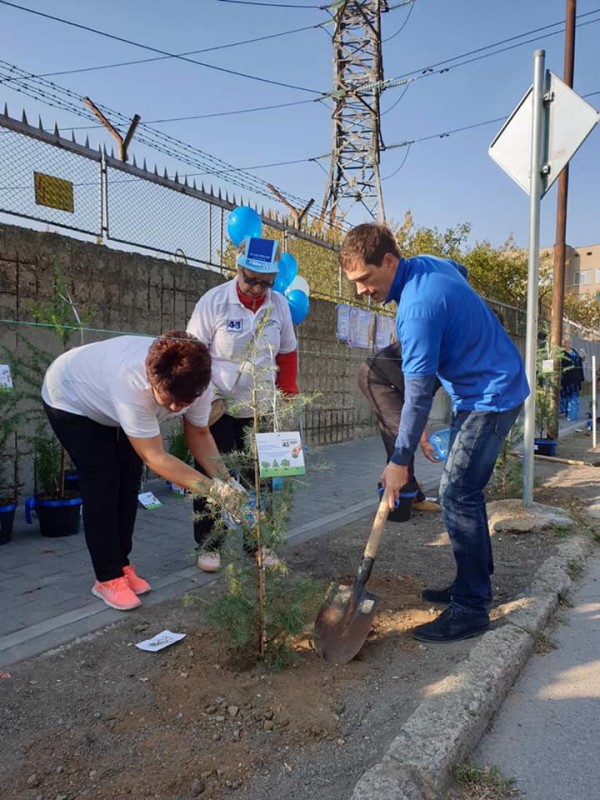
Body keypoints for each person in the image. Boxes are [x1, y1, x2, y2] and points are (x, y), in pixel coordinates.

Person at [339, 223, 529, 643]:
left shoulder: (417, 311)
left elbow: (418, 397)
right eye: (354, 283)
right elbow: (460, 270)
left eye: (365, 279)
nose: (361, 291)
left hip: (491, 396)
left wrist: (399, 462)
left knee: (457, 492)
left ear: (389, 261)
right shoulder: (428, 265)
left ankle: (471, 607)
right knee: (464, 490)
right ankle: (473, 584)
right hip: (485, 386)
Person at [42, 330, 244, 611]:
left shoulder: (198, 382)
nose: (173, 408)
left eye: (182, 403)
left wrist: (225, 479)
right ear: (152, 379)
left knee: (129, 478)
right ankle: (107, 577)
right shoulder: (131, 382)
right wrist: (214, 491)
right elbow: (155, 457)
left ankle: (122, 564)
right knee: (103, 481)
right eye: (168, 399)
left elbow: (199, 433)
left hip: (109, 398)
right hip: (71, 398)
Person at [187, 236, 298, 573]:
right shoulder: (215, 301)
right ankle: (210, 544)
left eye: (266, 283)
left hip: (259, 407)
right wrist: (201, 397)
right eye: (251, 280)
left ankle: (259, 544)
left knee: (258, 481)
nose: (257, 289)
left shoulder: (279, 306)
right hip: (218, 405)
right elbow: (193, 352)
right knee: (213, 475)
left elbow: (287, 353)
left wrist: (287, 398)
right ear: (238, 269)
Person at [357, 341, 442, 516]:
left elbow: (420, 402)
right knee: (400, 443)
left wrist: (423, 440)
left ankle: (410, 486)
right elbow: (419, 405)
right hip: (379, 379)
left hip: (397, 382)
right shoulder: (441, 350)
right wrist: (423, 441)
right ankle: (404, 499)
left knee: (403, 441)